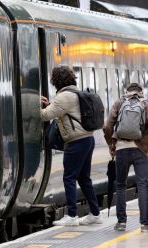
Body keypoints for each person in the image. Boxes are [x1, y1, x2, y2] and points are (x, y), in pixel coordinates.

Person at [41, 66, 102, 226]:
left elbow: (46, 115)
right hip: (87, 139)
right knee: (83, 178)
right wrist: (49, 104)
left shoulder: (63, 97)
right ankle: (95, 213)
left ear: (56, 81)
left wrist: (34, 105)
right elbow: (59, 110)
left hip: (75, 142)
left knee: (69, 177)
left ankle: (72, 215)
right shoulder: (75, 93)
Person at [103, 83, 148, 232]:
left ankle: (121, 222)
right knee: (142, 185)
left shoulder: (119, 104)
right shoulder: (147, 105)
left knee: (120, 185)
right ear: (141, 93)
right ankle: (145, 223)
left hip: (121, 149)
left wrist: (111, 145)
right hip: (140, 150)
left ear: (127, 92)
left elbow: (107, 127)